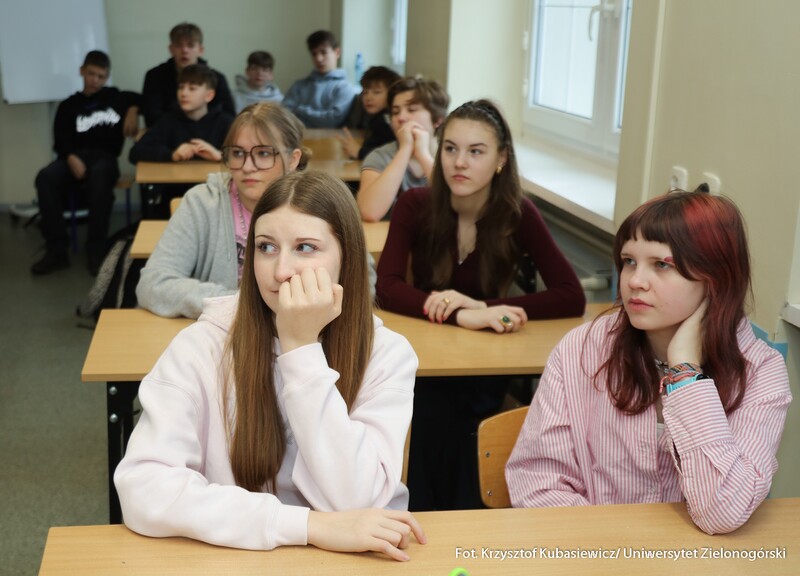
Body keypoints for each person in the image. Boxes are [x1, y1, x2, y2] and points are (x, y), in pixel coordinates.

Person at [115, 170, 426, 560]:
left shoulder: (387, 354)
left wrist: (301, 349)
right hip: (234, 560)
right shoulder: (204, 345)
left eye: (305, 247)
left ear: (346, 257)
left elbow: (357, 502)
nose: (281, 271)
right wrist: (306, 526)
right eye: (266, 247)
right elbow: (143, 489)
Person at [506, 190, 792, 535]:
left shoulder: (761, 371)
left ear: (716, 279)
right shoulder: (583, 348)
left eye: (661, 265)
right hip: (591, 553)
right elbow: (536, 481)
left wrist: (685, 372)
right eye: (629, 261)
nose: (634, 281)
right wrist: (618, 548)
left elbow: (723, 512)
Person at [375, 99, 586, 511]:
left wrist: (481, 305)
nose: (460, 162)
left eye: (476, 151)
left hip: (483, 367)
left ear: (501, 159)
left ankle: (460, 522)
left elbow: (570, 295)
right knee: (426, 411)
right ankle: (424, 517)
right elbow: (387, 287)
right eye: (450, 148)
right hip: (422, 361)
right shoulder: (415, 204)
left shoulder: (517, 212)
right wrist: (463, 315)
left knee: (464, 421)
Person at [136, 102, 307, 319]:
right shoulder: (201, 203)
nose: (247, 167)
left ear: (293, 159)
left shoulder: (316, 208)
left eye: (263, 153)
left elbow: (349, 286)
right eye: (237, 153)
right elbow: (153, 284)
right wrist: (241, 304)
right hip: (220, 328)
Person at [31, 50, 139, 276]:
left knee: (100, 175)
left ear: (107, 77)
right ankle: (57, 251)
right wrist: (71, 158)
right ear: (82, 71)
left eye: (101, 76)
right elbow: (60, 140)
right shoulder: (69, 105)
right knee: (45, 177)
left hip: (105, 159)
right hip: (73, 156)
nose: (95, 80)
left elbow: (142, 98)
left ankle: (96, 250)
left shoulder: (116, 97)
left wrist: (132, 110)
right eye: (91, 74)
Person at [130, 64, 234, 217]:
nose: (184, 93)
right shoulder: (169, 120)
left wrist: (220, 156)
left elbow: (246, 155)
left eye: (192, 89)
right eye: (181, 87)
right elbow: (135, 153)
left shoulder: (226, 122)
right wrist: (171, 155)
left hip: (216, 196)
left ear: (209, 95)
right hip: (175, 195)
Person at [357, 77, 449, 222]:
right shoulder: (379, 157)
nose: (401, 118)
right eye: (395, 112)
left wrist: (423, 155)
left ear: (438, 120)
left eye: (411, 110)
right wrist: (405, 149)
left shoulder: (452, 155)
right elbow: (370, 212)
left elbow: (455, 205)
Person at [141, 22, 235, 128]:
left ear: (200, 50)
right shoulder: (154, 76)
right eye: (178, 45)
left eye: (190, 45)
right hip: (167, 133)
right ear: (171, 49)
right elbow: (151, 116)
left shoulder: (217, 78)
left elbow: (228, 116)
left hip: (209, 133)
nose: (184, 50)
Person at [281, 30, 358, 128]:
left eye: (323, 52)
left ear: (337, 52)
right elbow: (283, 116)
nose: (318, 59)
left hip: (330, 137)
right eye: (314, 54)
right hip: (296, 136)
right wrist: (319, 116)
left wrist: (300, 110)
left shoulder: (345, 88)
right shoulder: (299, 86)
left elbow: (332, 120)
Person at [338, 65, 401, 160]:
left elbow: (389, 155)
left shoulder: (386, 122)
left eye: (376, 92)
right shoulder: (375, 118)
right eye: (365, 92)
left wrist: (359, 152)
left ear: (392, 94)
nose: (368, 98)